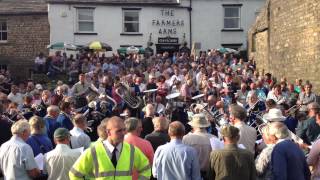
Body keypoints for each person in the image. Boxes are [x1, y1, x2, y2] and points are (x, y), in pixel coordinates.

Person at [69, 116, 151, 179]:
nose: (123, 133)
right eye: (119, 131)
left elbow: (146, 169)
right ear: (108, 132)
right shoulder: (93, 151)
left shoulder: (131, 150)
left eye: (124, 130)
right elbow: (74, 173)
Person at [183, 114, 213, 180]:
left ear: (193, 126)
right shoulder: (214, 139)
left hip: (191, 174)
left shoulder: (186, 138)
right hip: (209, 174)